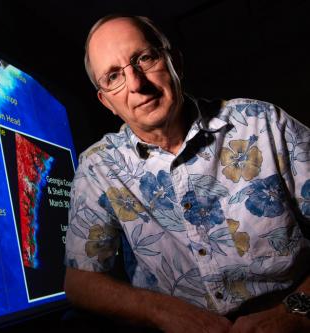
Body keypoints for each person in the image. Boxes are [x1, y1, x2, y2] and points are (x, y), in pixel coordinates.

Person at [64, 14, 310, 333]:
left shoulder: (263, 123)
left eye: (144, 58)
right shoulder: (98, 167)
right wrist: (161, 312)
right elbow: (80, 280)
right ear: (106, 101)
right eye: (113, 77)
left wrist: (294, 312)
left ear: (174, 62)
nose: (137, 85)